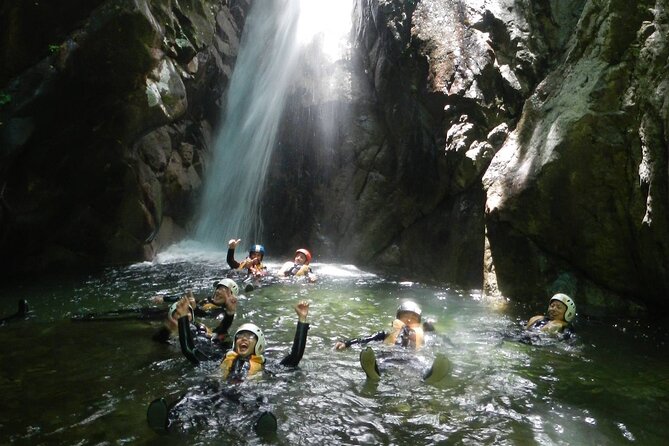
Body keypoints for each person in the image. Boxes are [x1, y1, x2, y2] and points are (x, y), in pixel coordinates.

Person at [147, 300, 310, 437]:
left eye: (250, 337)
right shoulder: (220, 359)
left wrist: (302, 320)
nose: (243, 339)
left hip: (245, 393)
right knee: (190, 396)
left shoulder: (266, 365)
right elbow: (189, 350)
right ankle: (167, 421)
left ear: (258, 343)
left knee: (261, 403)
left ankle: (261, 428)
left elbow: (294, 357)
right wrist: (183, 318)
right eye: (240, 336)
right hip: (215, 389)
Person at [334, 301, 449, 384]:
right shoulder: (387, 333)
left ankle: (429, 376)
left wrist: (431, 329)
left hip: (411, 360)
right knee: (381, 362)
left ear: (418, 322)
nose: (409, 320)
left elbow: (435, 343)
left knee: (421, 366)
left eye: (413, 318)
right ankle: (374, 373)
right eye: (405, 316)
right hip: (389, 356)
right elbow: (366, 339)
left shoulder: (422, 337)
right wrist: (347, 343)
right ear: (398, 318)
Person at [152, 279, 239, 350]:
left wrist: (230, 313)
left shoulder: (201, 327)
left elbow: (220, 332)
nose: (219, 292)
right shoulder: (206, 301)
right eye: (219, 289)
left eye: (224, 291)